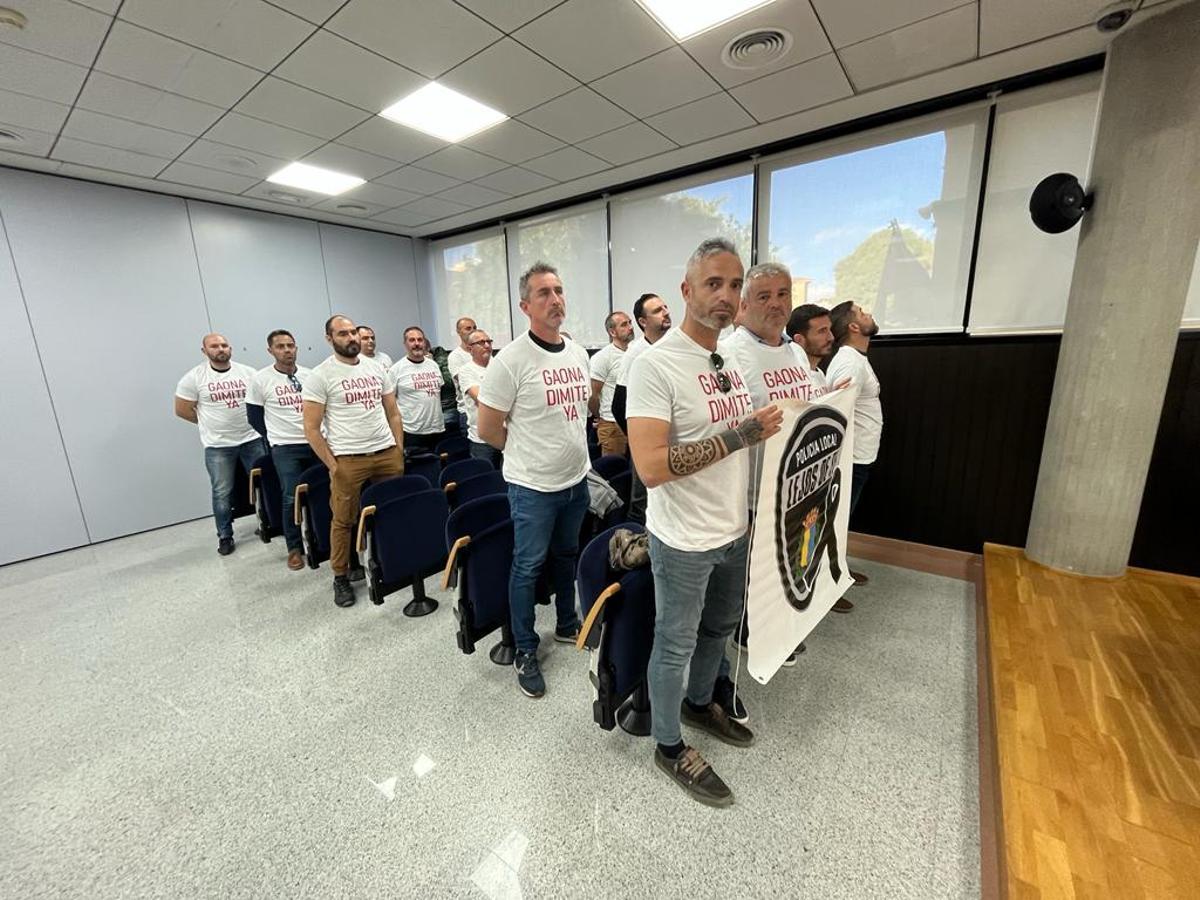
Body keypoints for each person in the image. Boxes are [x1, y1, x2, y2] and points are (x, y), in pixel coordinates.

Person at [626, 238, 782, 808]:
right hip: (684, 540)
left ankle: (699, 704)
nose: (726, 295)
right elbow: (651, 467)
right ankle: (669, 745)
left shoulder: (732, 358)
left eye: (735, 284)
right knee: (675, 642)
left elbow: (742, 432)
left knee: (719, 629)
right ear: (686, 292)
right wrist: (739, 435)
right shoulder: (654, 364)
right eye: (713, 284)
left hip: (731, 530)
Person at [477, 263, 591, 699]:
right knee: (526, 568)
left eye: (559, 290)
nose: (555, 298)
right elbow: (489, 430)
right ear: (526, 306)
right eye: (544, 293)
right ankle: (525, 648)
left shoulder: (578, 353)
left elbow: (577, 414)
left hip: (575, 481)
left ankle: (565, 624)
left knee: (567, 555)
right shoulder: (510, 361)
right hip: (532, 488)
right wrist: (527, 454)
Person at [302, 315, 406, 608]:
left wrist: (398, 448)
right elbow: (310, 427)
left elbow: (393, 412)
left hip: (385, 452)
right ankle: (341, 576)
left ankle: (389, 563)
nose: (351, 338)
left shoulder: (376, 368)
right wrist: (333, 465)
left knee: (390, 511)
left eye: (353, 333)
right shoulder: (321, 375)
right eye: (343, 334)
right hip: (348, 457)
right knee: (344, 520)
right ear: (329, 339)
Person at [174, 333, 267, 556]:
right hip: (218, 445)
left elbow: (260, 401)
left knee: (262, 485)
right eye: (215, 346)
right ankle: (225, 535)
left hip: (251, 438)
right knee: (222, 492)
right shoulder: (194, 378)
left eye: (224, 345)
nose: (221, 349)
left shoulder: (247, 373)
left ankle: (267, 525)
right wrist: (208, 424)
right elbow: (182, 409)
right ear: (205, 351)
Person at [246, 329, 318, 570]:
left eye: (291, 345)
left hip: (316, 442)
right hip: (285, 447)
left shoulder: (311, 376)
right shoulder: (261, 379)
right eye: (281, 346)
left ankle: (320, 539)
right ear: (271, 351)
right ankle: (294, 548)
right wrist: (275, 437)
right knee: (291, 496)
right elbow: (255, 417)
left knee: (321, 491)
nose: (287, 350)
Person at [825, 300, 882, 587]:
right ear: (854, 326)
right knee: (835, 523)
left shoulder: (856, 359)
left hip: (861, 456)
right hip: (851, 459)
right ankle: (829, 583)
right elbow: (837, 411)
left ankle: (839, 572)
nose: (868, 313)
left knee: (842, 522)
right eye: (861, 312)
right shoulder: (848, 361)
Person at [612, 293, 672, 523]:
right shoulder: (636, 353)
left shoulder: (673, 346)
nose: (666, 312)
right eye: (657, 310)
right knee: (641, 502)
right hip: (646, 442)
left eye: (665, 307)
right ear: (643, 322)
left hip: (669, 441)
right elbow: (619, 404)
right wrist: (639, 439)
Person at [388, 326, 445, 453]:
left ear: (424, 342)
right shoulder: (396, 369)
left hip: (438, 429)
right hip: (412, 432)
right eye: (412, 340)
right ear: (405, 344)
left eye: (420, 340)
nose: (417, 344)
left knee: (439, 467)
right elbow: (389, 404)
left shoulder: (433, 365)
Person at [588, 311, 633, 456]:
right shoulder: (603, 357)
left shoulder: (635, 352)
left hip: (632, 422)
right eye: (624, 325)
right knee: (614, 471)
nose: (631, 327)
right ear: (612, 332)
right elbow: (592, 394)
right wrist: (601, 416)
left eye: (630, 322)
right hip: (612, 424)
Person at [457, 329, 501, 468]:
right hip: (482, 439)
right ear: (470, 349)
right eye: (481, 343)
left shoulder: (500, 366)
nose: (487, 345)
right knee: (486, 480)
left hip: (505, 434)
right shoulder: (466, 371)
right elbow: (482, 399)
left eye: (489, 341)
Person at [446, 316, 477, 431]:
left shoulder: (484, 352)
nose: (473, 331)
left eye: (474, 328)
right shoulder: (455, 356)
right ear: (459, 332)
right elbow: (466, 380)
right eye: (468, 328)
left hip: (487, 410)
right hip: (468, 412)